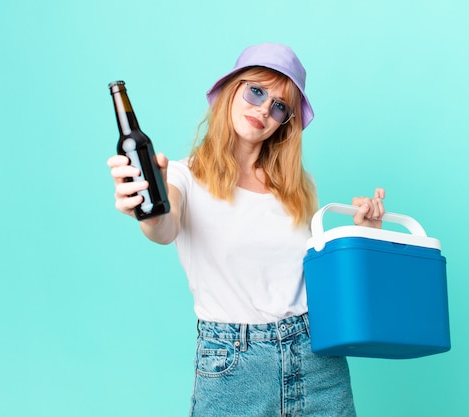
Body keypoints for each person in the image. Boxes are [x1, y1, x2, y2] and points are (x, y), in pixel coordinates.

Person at [107, 42, 385, 416]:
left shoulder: (300, 187)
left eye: (279, 105)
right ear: (231, 90)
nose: (264, 109)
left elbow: (315, 281)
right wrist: (147, 209)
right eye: (256, 90)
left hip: (318, 358)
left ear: (286, 122)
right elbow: (163, 228)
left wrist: (365, 235)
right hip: (234, 367)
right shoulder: (182, 175)